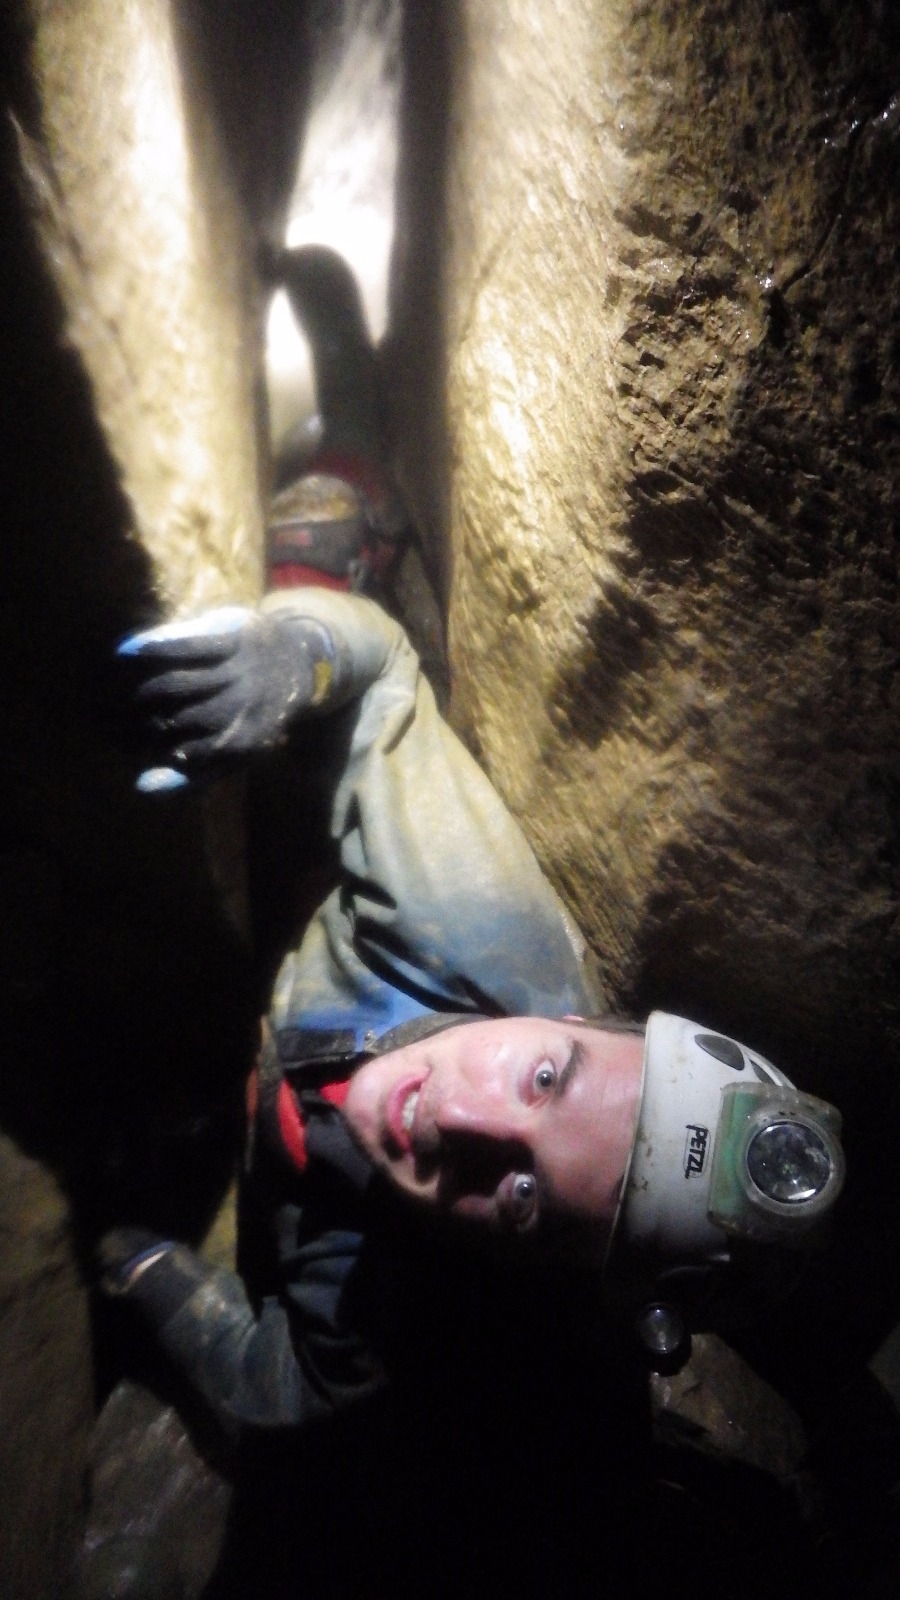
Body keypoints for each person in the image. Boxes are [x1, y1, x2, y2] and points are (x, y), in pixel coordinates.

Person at [103, 579, 846, 1435]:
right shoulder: (473, 918)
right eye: (540, 1079)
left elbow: (287, 1388)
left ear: (529, 1267)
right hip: (289, 993)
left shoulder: (407, 1308)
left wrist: (151, 1271)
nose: (449, 1116)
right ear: (572, 1023)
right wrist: (291, 655)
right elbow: (383, 666)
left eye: (524, 1195)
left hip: (295, 1145)